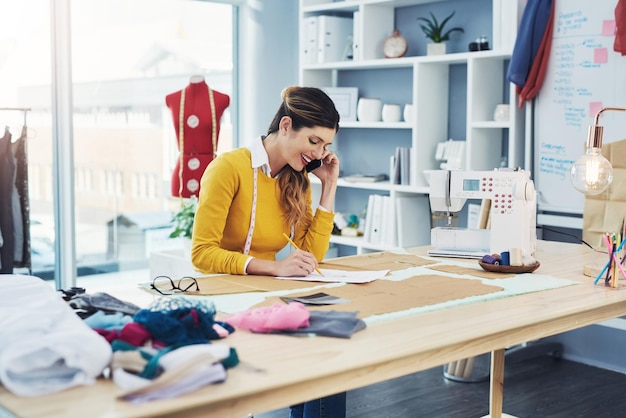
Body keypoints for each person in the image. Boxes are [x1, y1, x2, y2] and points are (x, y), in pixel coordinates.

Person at [191, 86, 346, 418]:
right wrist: (274, 268)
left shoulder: (296, 180)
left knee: (328, 354)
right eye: (314, 141)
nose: (320, 154)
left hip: (265, 298)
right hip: (222, 302)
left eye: (326, 146)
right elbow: (202, 253)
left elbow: (310, 256)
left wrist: (328, 186)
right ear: (287, 126)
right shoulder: (229, 168)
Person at [165, 75, 230, 198]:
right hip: (181, 176)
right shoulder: (172, 99)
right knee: (180, 216)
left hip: (209, 172)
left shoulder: (221, 99)